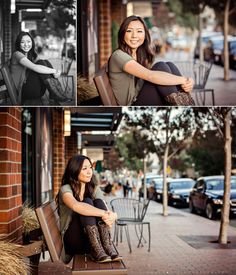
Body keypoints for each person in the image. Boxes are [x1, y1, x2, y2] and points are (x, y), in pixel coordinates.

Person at [108, 15, 195, 106]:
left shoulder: (139, 55)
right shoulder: (119, 56)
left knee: (169, 65)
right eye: (129, 31)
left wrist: (187, 82)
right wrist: (184, 79)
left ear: (145, 35)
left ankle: (185, 105)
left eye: (139, 31)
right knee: (160, 67)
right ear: (122, 34)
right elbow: (151, 76)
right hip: (131, 106)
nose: (134, 35)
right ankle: (185, 107)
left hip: (140, 97)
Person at [56, 155, 121, 264]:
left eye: (90, 168)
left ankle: (106, 246)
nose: (89, 172)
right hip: (72, 240)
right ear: (74, 170)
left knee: (98, 202)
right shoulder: (66, 189)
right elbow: (76, 206)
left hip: (90, 241)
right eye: (84, 168)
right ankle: (97, 249)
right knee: (86, 202)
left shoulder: (93, 188)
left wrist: (113, 216)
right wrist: (105, 213)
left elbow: (105, 208)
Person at [10, 31, 70, 105]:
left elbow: (43, 64)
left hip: (32, 89)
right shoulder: (17, 54)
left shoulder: (30, 55)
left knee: (45, 62)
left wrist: (55, 73)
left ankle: (55, 93)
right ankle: (55, 93)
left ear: (32, 43)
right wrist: (54, 71)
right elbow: (35, 67)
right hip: (23, 92)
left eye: (28, 41)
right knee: (40, 64)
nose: (26, 44)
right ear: (18, 44)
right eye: (22, 42)